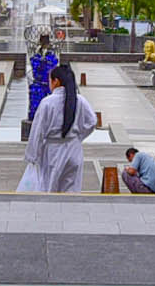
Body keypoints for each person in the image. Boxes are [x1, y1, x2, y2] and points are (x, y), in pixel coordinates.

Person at [17, 61, 97, 192]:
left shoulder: (47, 103)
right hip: (74, 149)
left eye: (50, 80)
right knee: (72, 189)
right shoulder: (80, 100)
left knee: (50, 188)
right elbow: (92, 122)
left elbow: (38, 131)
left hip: (53, 150)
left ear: (56, 81)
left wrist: (32, 156)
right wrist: (78, 137)